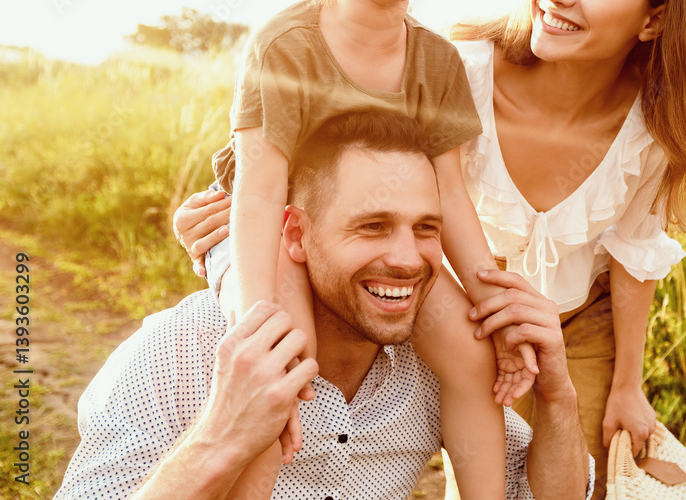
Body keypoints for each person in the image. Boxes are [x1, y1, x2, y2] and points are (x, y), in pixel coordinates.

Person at [178, 0, 686, 498]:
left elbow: (634, 254)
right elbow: (347, 162)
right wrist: (254, 205)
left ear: (652, 20)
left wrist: (630, 383)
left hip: (581, 321)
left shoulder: (654, 129)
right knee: (478, 417)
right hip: (461, 291)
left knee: (579, 476)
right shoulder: (460, 70)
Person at [200, 0, 535, 495]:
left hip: (374, 234)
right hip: (283, 229)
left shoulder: (437, 62)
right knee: (281, 360)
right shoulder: (284, 45)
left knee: (470, 355)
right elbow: (261, 194)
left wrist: (494, 304)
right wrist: (254, 317)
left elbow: (451, 197)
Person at [55, 111, 593, 500]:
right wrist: (220, 436)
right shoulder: (177, 353)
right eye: (372, 226)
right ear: (295, 235)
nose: (408, 259)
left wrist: (558, 395)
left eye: (426, 228)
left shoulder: (437, 367)